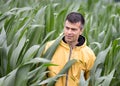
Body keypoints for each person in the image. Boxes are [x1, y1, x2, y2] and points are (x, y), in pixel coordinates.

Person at [44, 12, 96, 86]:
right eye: (67, 28)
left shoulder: (89, 54)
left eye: (73, 29)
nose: (69, 32)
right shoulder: (49, 47)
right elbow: (41, 77)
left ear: (81, 31)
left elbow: (90, 82)